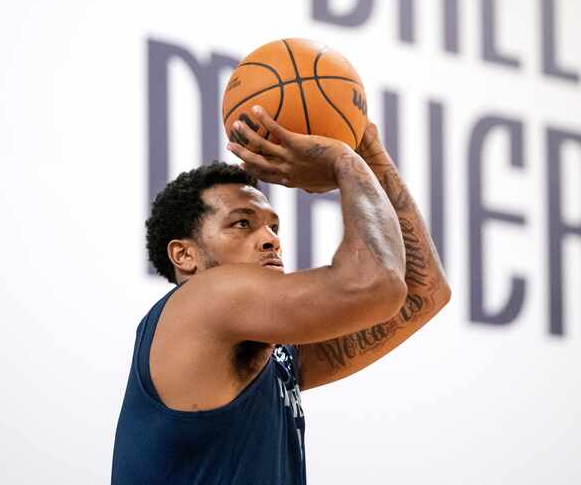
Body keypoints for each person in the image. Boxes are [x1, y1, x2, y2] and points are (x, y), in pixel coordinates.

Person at [111, 106, 452, 484]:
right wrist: (344, 160)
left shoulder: (270, 353)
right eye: (242, 224)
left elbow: (424, 292)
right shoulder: (203, 301)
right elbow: (379, 284)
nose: (270, 239)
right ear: (185, 255)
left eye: (273, 226)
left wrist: (365, 142)